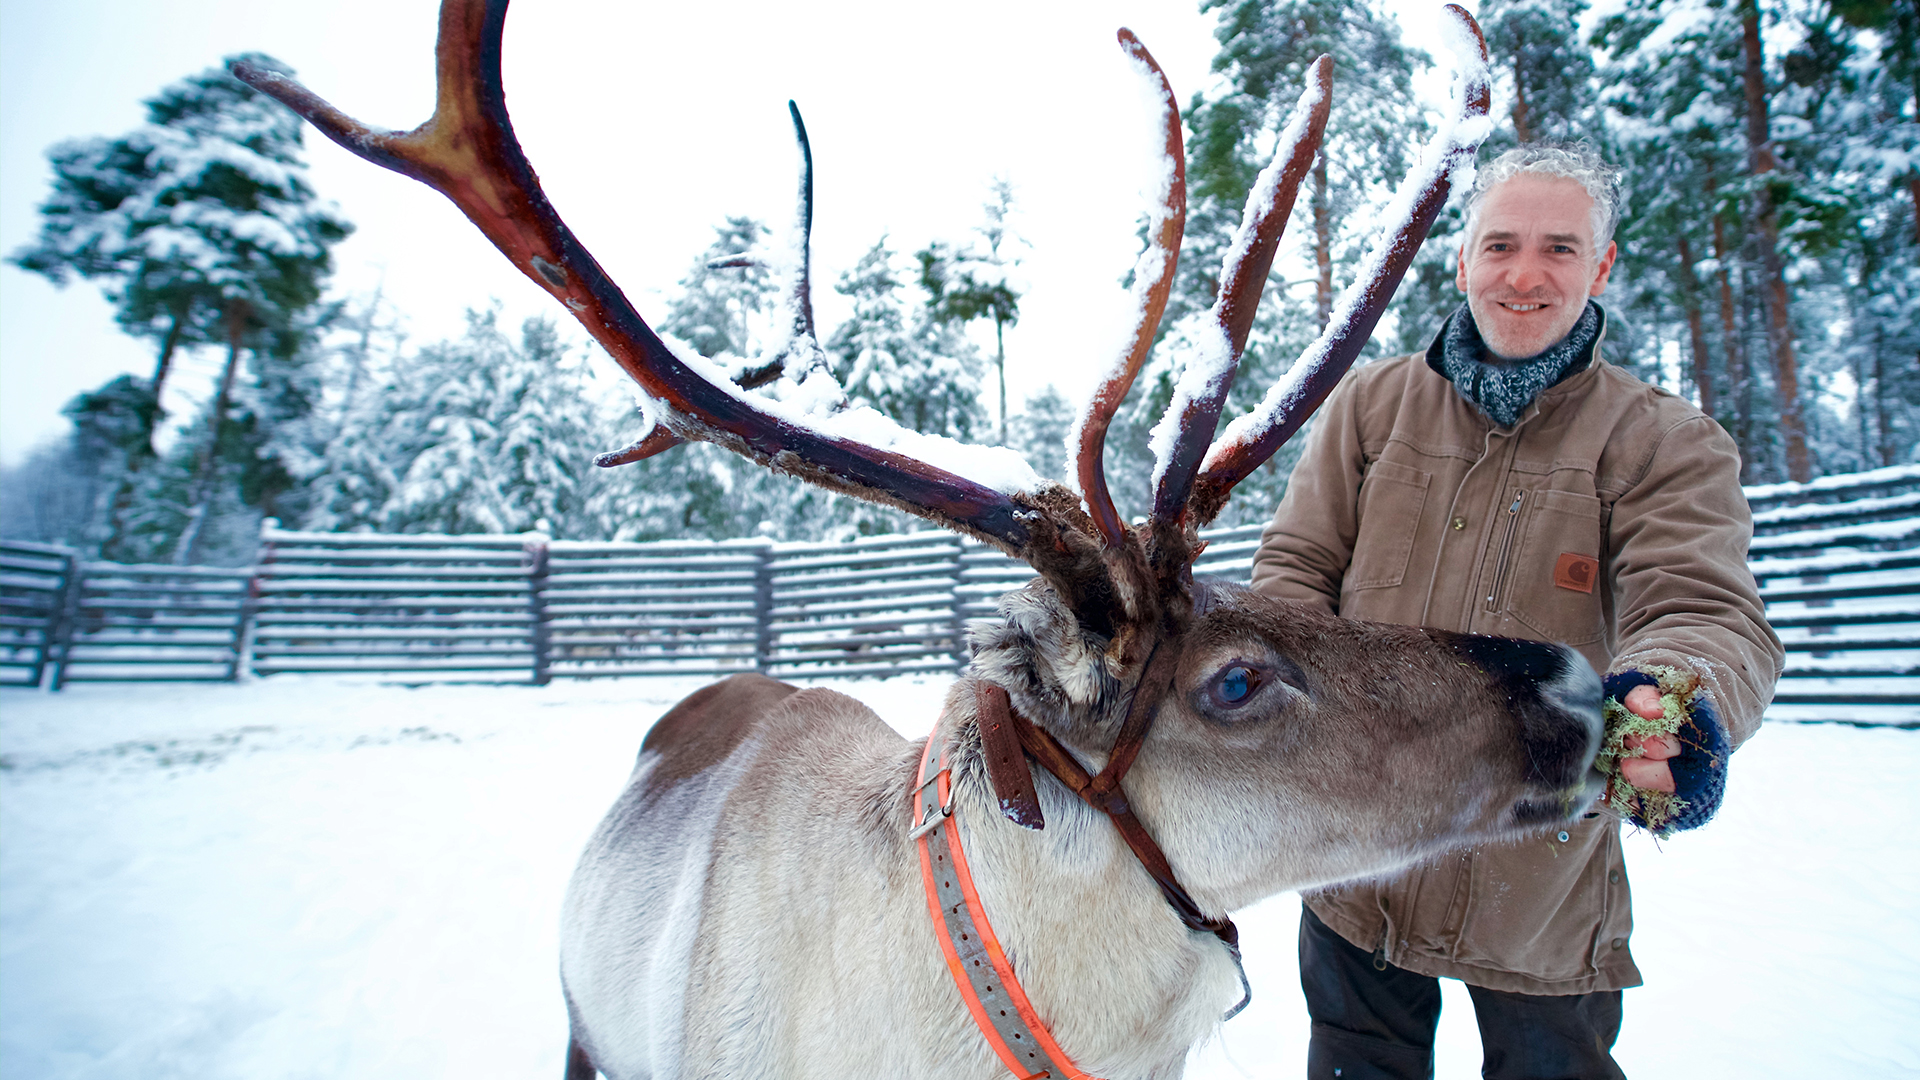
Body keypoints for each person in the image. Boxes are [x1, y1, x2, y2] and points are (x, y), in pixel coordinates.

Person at [1249, 142, 1783, 1080]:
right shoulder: (1372, 406)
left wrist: (1674, 692)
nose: (1525, 275)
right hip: (1359, 853)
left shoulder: (1665, 442)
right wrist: (1276, 703)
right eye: (1499, 245)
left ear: (1602, 265)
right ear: (1463, 261)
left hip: (1543, 867)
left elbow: (1702, 605)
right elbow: (1296, 567)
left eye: (1560, 249)